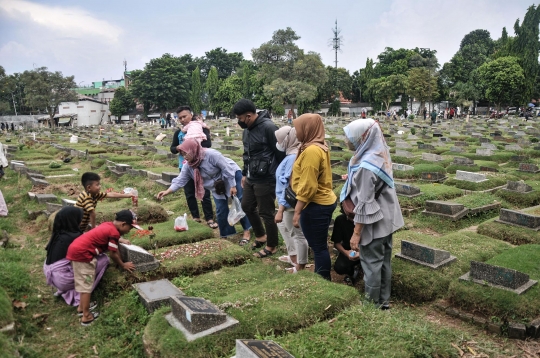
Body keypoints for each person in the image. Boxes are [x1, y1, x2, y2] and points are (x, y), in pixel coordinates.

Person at [341, 118, 404, 309]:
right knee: (384, 262)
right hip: (388, 219)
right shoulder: (378, 153)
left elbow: (365, 202)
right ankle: (384, 301)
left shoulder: (366, 167)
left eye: (350, 137)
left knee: (371, 264)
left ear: (363, 138)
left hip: (373, 223)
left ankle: (371, 304)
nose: (346, 141)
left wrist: (356, 233)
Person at [157, 139, 251, 240]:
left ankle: (247, 231)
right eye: (182, 154)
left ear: (193, 150)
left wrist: (233, 186)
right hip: (216, 185)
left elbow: (226, 168)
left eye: (186, 153)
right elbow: (180, 180)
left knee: (239, 203)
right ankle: (226, 234)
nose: (185, 157)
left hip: (231, 176)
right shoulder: (188, 166)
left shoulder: (211, 155)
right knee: (220, 208)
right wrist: (167, 191)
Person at [66, 209, 139, 325]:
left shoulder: (108, 225)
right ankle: (86, 316)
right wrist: (123, 264)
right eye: (129, 228)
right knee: (86, 285)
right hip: (83, 255)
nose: (129, 231)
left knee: (83, 282)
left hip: (76, 250)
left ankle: (81, 308)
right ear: (123, 224)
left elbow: (110, 237)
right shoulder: (114, 233)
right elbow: (113, 253)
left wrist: (121, 240)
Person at [234, 99, 285, 258]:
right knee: (247, 205)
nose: (239, 122)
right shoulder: (247, 130)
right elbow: (246, 154)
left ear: (248, 116)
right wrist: (244, 173)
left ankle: (272, 245)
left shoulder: (269, 128)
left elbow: (280, 154)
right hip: (251, 176)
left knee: (266, 212)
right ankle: (261, 236)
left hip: (266, 177)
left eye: (240, 118)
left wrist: (280, 177)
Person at [291, 113, 337, 280]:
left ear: (307, 129)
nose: (296, 133)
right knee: (319, 246)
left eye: (298, 129)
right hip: (321, 201)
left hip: (315, 204)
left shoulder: (311, 150)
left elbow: (308, 186)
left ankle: (323, 281)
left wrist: (297, 212)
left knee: (318, 247)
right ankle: (323, 278)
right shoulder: (317, 145)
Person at [43, 207, 109, 307]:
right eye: (79, 219)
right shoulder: (74, 237)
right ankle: (80, 296)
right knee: (103, 260)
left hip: (55, 277)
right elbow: (95, 246)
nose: (81, 222)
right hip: (63, 278)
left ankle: (68, 290)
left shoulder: (59, 234)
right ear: (72, 220)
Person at [170, 106, 216, 228]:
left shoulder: (201, 128)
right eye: (179, 118)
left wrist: (191, 145)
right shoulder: (179, 132)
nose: (182, 119)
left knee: (205, 193)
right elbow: (172, 148)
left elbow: (208, 143)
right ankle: (195, 217)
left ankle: (209, 218)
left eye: (184, 116)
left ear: (191, 115)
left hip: (201, 165)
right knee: (189, 193)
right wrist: (179, 147)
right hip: (184, 166)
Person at [274, 126, 308, 273]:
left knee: (297, 233)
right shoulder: (291, 155)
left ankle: (300, 266)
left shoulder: (293, 157)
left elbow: (289, 185)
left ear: (288, 140)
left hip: (288, 203)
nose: (278, 143)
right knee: (284, 227)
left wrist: (281, 209)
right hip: (284, 202)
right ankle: (293, 256)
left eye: (280, 140)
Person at [331, 208, 361, 285]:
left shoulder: (367, 219)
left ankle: (360, 271)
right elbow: (336, 243)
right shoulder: (340, 220)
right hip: (349, 250)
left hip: (366, 250)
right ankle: (350, 273)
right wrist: (346, 253)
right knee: (340, 267)